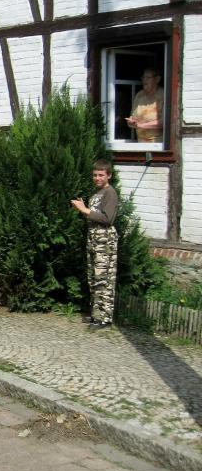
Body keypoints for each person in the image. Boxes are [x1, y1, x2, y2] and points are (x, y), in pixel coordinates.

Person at [71, 159, 119, 329]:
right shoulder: (97, 193)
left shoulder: (110, 193)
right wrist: (85, 208)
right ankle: (96, 315)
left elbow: (107, 218)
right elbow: (94, 215)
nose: (97, 178)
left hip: (104, 240)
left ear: (109, 176)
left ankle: (104, 318)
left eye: (101, 175)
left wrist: (85, 210)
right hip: (93, 239)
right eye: (95, 175)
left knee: (103, 278)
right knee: (93, 277)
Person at [125, 68, 164, 143]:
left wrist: (140, 125)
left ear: (157, 79)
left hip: (157, 143)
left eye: (148, 77)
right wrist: (131, 122)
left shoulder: (163, 95)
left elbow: (163, 122)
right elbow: (132, 117)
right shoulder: (139, 95)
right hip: (141, 142)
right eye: (143, 77)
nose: (144, 80)